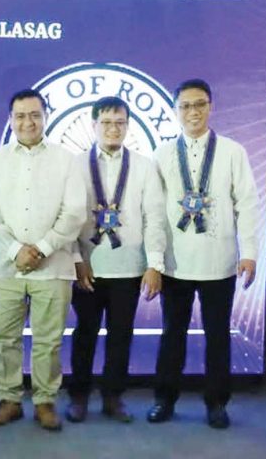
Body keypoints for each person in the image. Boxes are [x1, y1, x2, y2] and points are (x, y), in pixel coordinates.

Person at [147, 79, 259, 429]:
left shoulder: (232, 151)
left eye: (200, 104)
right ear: (176, 110)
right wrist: (154, 261)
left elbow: (248, 204)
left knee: (218, 336)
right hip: (176, 263)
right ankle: (164, 399)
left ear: (211, 106)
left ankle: (216, 403)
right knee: (172, 335)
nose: (193, 112)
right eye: (186, 106)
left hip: (220, 260)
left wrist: (250, 252)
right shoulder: (162, 154)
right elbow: (153, 211)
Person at [0, 89, 86, 431]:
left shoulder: (66, 159)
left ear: (45, 116)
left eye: (35, 115)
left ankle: (44, 401)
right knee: (5, 338)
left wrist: (41, 248)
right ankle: (9, 400)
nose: (28, 122)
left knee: (48, 340)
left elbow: (74, 212)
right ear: (11, 120)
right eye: (21, 116)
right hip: (5, 266)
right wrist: (15, 251)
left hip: (53, 265)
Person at [67, 96, 166, 423]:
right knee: (84, 333)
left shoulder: (143, 166)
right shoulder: (75, 165)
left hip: (128, 265)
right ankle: (78, 396)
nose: (113, 128)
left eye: (120, 123)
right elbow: (66, 217)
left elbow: (154, 217)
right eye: (107, 122)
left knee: (121, 334)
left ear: (127, 126)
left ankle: (114, 397)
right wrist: (76, 259)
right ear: (94, 125)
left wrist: (154, 264)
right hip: (87, 266)